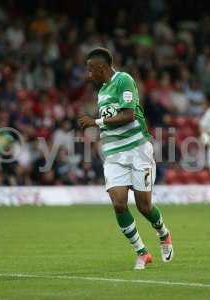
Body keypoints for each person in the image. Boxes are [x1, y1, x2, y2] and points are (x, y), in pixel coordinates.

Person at [78, 47, 173, 270]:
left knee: (144, 206)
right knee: (119, 203)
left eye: (90, 69)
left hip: (138, 150)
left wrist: (96, 122)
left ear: (101, 67)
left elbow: (128, 115)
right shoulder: (101, 91)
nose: (88, 74)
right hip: (113, 154)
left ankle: (163, 233)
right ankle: (142, 252)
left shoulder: (124, 80)